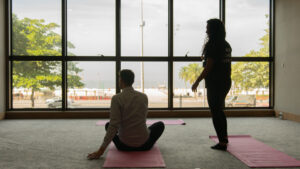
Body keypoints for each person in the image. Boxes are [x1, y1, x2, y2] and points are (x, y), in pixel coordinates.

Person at [87, 69, 165, 160]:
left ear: (121, 80)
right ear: (132, 81)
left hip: (123, 146)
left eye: (119, 78)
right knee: (160, 125)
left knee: (108, 125)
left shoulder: (116, 98)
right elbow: (142, 119)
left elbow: (113, 125)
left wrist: (100, 151)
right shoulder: (144, 97)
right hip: (145, 145)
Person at [192, 19, 232, 151]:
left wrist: (197, 81)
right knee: (219, 110)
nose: (206, 30)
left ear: (214, 30)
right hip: (225, 81)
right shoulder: (226, 45)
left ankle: (222, 142)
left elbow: (208, 68)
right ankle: (224, 139)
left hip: (215, 83)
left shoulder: (213, 45)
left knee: (215, 112)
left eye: (208, 28)